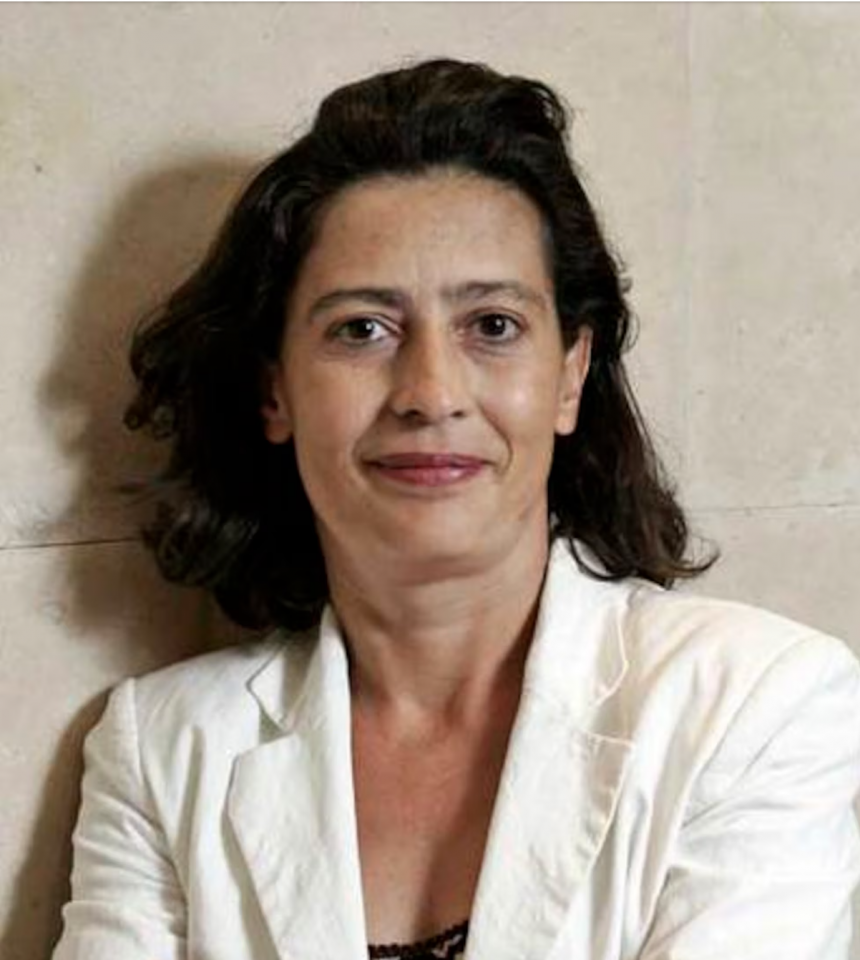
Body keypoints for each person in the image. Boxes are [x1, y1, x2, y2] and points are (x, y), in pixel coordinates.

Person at [53, 59, 860, 960]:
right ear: (274, 389)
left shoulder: (756, 704)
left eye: (493, 326)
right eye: (362, 329)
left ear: (570, 375)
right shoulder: (161, 751)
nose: (430, 393)